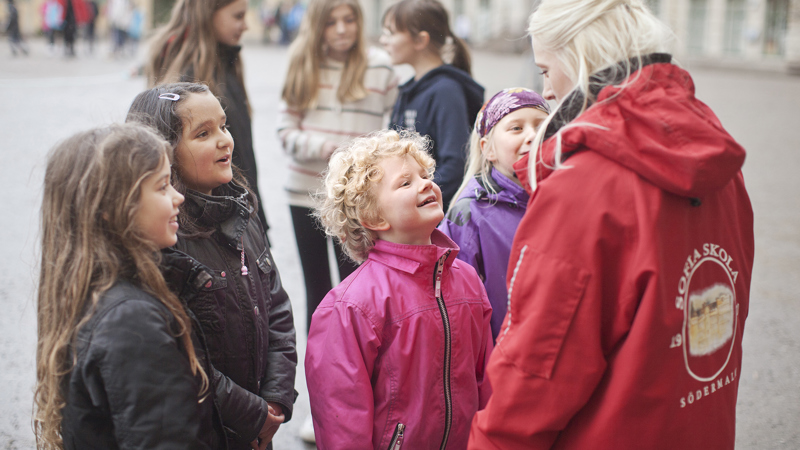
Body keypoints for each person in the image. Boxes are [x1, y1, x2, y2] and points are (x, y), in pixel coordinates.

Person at [469, 1, 754, 449]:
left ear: (578, 60)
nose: (545, 91)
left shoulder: (582, 188)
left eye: (545, 70)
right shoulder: (723, 169)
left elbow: (533, 377)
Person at [34, 123, 275, 449]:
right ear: (111, 209)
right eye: (162, 187)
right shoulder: (132, 321)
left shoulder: (95, 292)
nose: (178, 197)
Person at [126, 83, 297, 450]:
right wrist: (252, 414)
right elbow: (182, 359)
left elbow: (277, 308)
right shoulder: (166, 242)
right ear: (162, 153)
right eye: (203, 133)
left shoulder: (243, 215)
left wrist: (276, 398)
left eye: (224, 126)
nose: (225, 141)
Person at [306, 130, 494, 449]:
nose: (425, 184)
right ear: (373, 217)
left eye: (425, 175)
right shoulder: (351, 305)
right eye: (405, 183)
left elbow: (486, 379)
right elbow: (342, 416)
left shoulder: (467, 280)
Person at [278, 0, 398, 336]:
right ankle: (323, 371)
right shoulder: (302, 63)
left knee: (358, 286)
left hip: (358, 199)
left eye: (350, 20)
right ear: (318, 26)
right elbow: (285, 132)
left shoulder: (381, 68)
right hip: (305, 193)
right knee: (317, 290)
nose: (343, 29)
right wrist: (326, 149)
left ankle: (359, 367)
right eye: (332, 22)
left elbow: (398, 125)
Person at [146, 0, 271, 240]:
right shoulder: (186, 79)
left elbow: (243, 153)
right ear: (209, 14)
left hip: (239, 206)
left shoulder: (227, 61)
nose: (245, 26)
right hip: (209, 220)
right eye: (237, 16)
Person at [439, 88, 550, 342]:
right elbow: (454, 305)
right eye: (516, 128)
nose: (533, 135)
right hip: (498, 358)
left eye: (542, 126)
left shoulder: (566, 199)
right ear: (488, 149)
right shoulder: (469, 214)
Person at [380, 0, 484, 211]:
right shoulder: (409, 89)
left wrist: (415, 200)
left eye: (390, 33)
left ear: (420, 40)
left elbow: (455, 166)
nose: (383, 41)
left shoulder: (446, 91)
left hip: (429, 218)